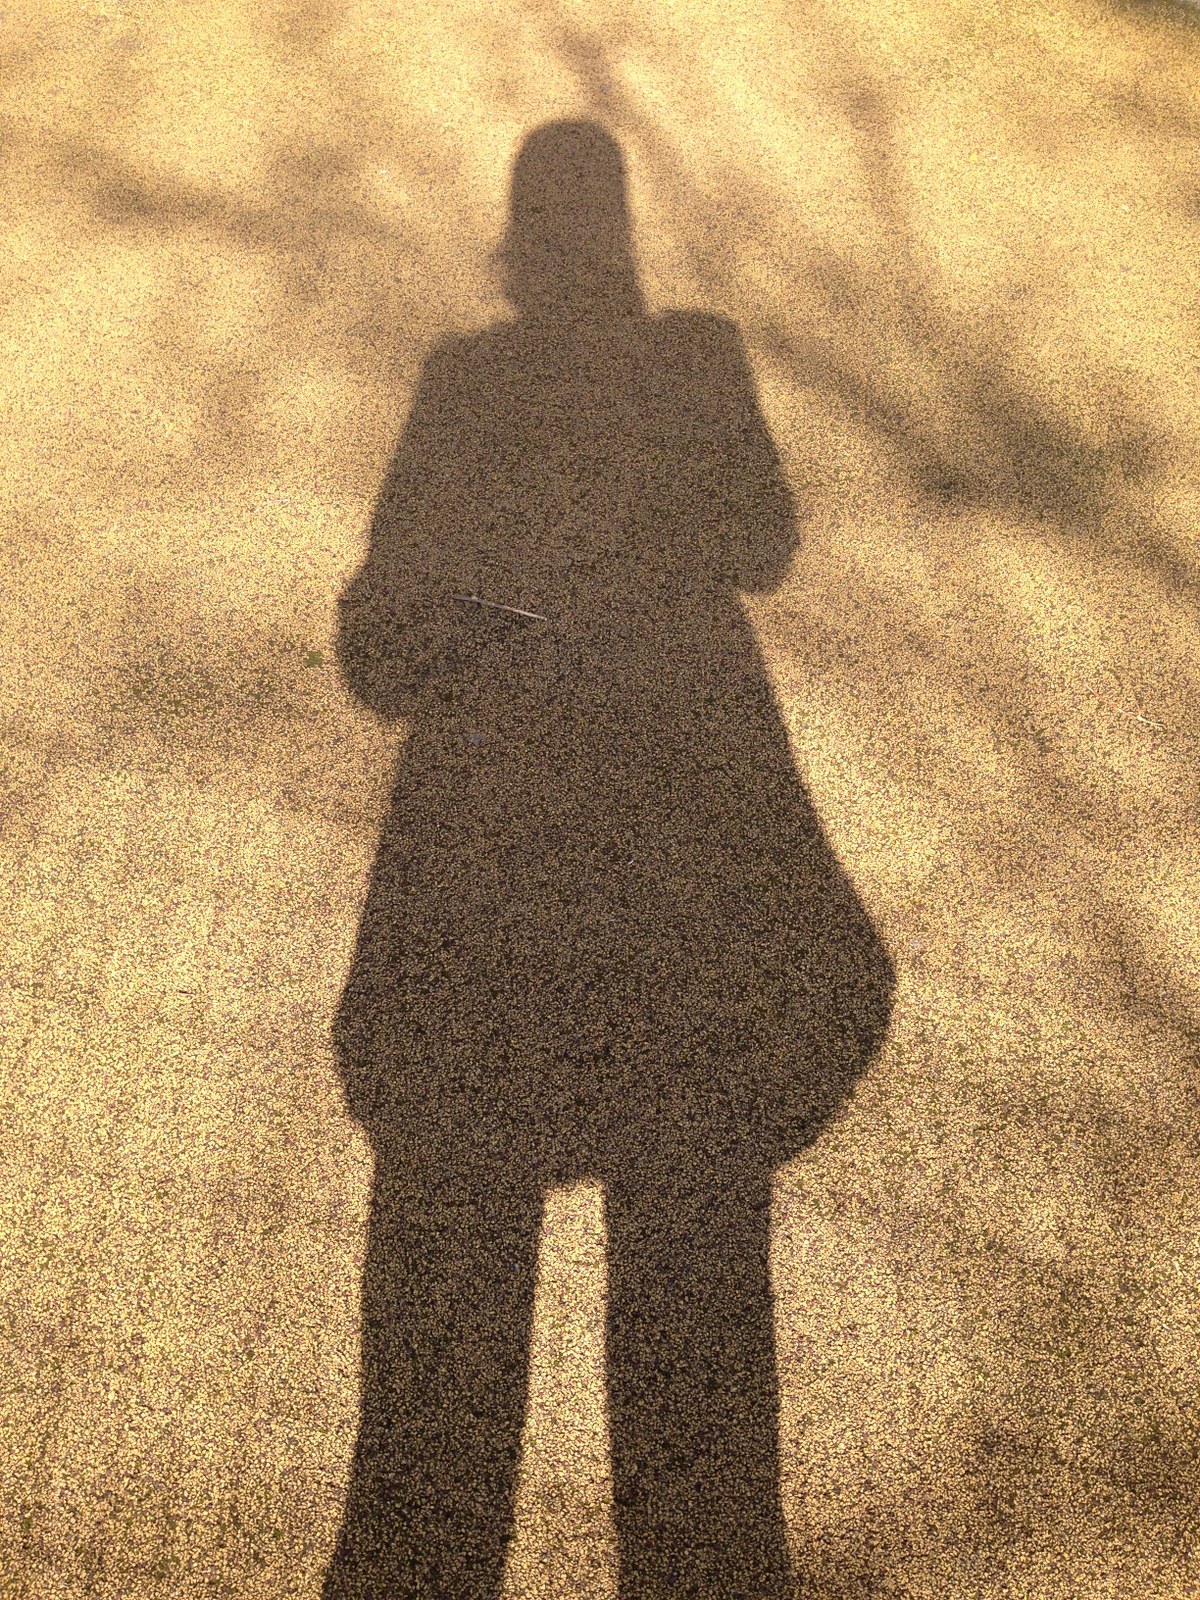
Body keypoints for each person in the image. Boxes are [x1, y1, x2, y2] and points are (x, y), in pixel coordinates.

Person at [324, 118, 895, 1600]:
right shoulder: (683, 364)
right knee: (686, 1322)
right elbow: (758, 537)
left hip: (495, 895)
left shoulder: (486, 384)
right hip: (677, 895)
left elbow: (385, 638)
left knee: (449, 1335)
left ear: (518, 237)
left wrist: (498, 613)